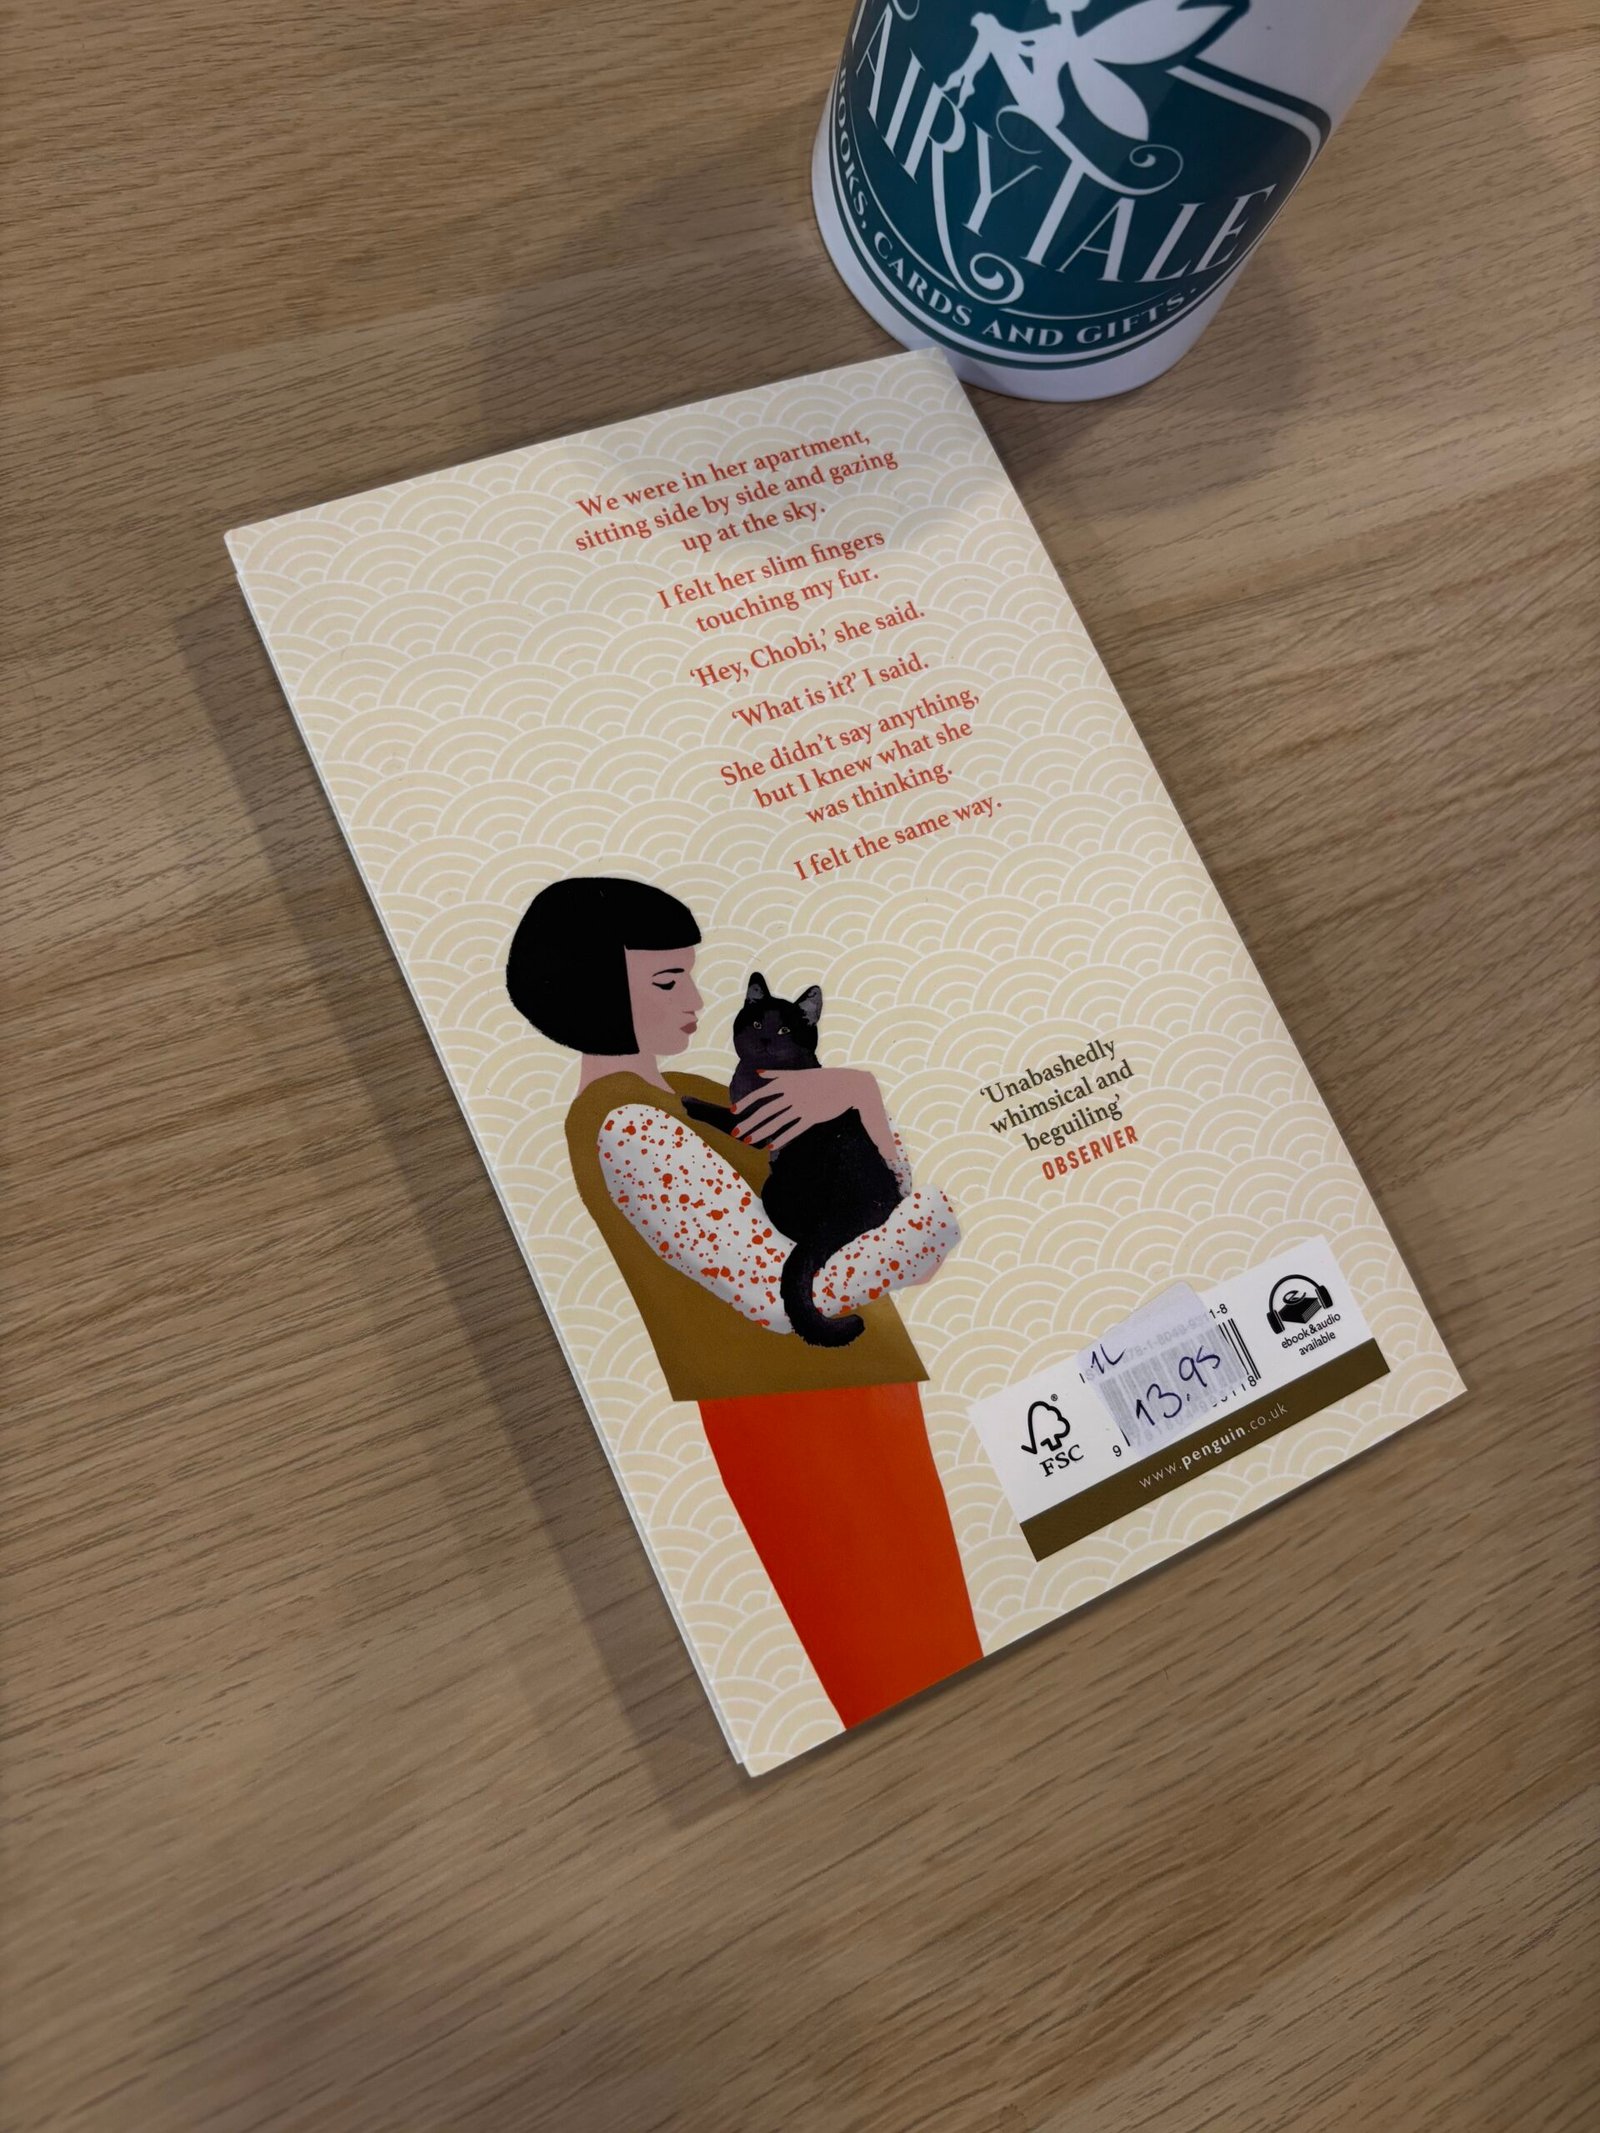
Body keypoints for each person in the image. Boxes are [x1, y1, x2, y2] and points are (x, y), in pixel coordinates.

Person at [507, 875, 982, 1728]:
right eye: (667, 980)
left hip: (851, 1386)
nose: (694, 999)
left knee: (936, 1637)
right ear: (590, 987)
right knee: (901, 1657)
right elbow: (775, 1292)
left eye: (690, 975)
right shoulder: (627, 1124)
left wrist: (861, 1096)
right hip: (791, 1412)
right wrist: (931, 1227)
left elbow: (868, 1186)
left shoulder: (690, 1086)